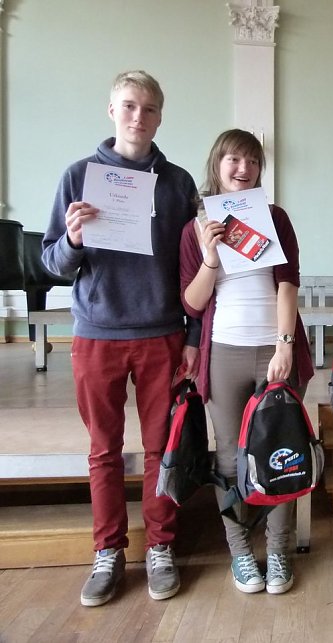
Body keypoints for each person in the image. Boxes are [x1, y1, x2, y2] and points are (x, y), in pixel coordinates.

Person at [42, 71, 199, 607]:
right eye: (129, 106)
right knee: (103, 452)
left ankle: (161, 546)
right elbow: (51, 263)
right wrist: (74, 240)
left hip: (162, 334)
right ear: (112, 110)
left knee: (161, 449)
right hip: (97, 333)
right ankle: (107, 551)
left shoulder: (178, 184)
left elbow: (195, 268)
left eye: (149, 108)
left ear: (160, 117)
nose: (139, 116)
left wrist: (194, 336)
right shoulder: (78, 175)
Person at [179, 129, 314, 592]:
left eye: (252, 161)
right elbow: (193, 303)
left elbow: (287, 285)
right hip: (224, 353)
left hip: (273, 349)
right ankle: (240, 553)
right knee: (232, 459)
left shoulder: (274, 217)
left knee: (281, 450)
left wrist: (285, 345)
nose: (243, 169)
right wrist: (210, 257)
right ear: (217, 164)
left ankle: (278, 553)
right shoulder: (194, 227)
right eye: (234, 160)